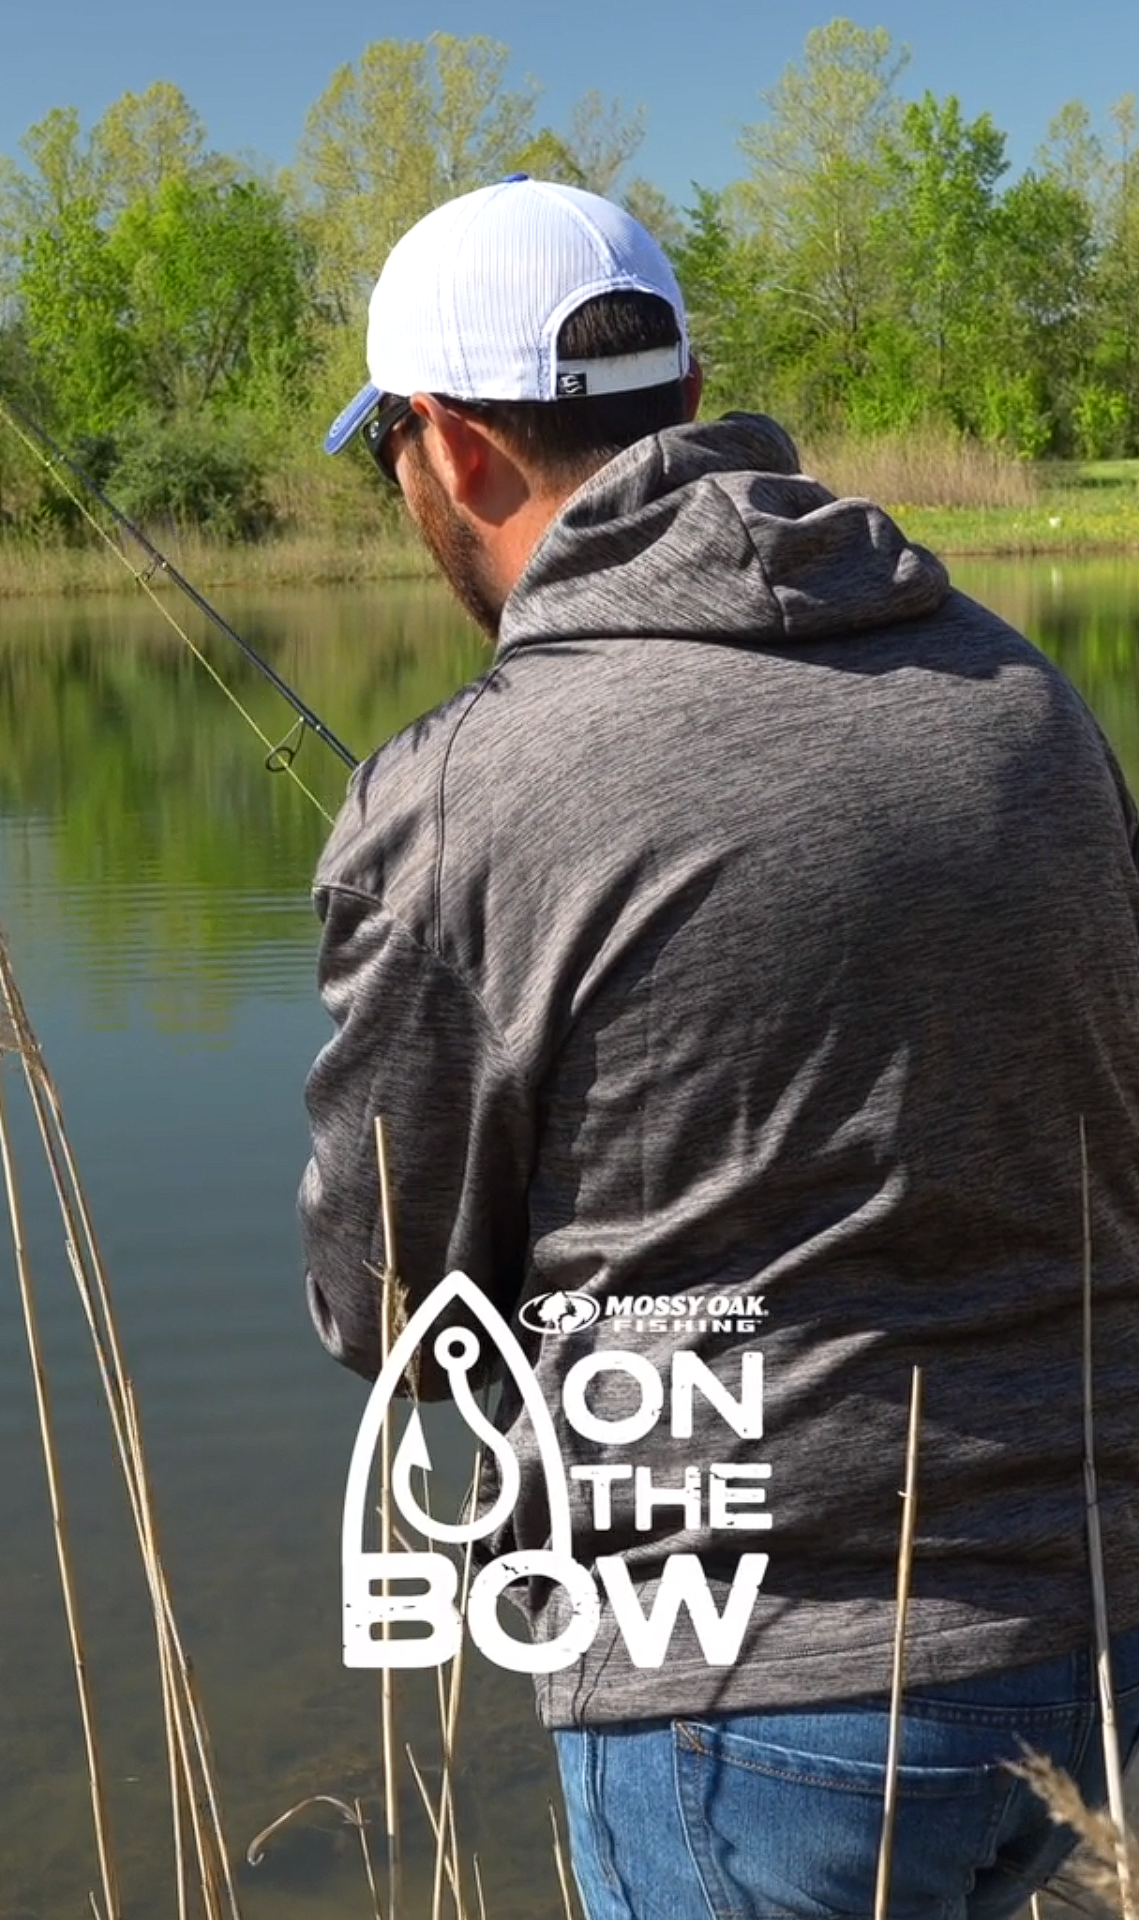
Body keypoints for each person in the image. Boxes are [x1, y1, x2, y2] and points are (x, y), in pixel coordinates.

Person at [298, 175, 1139, 1919]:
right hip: (1110, 1652)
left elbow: (390, 1310)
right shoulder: (1021, 696)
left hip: (749, 1706)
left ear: (449, 451)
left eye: (388, 452)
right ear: (686, 407)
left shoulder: (456, 798)